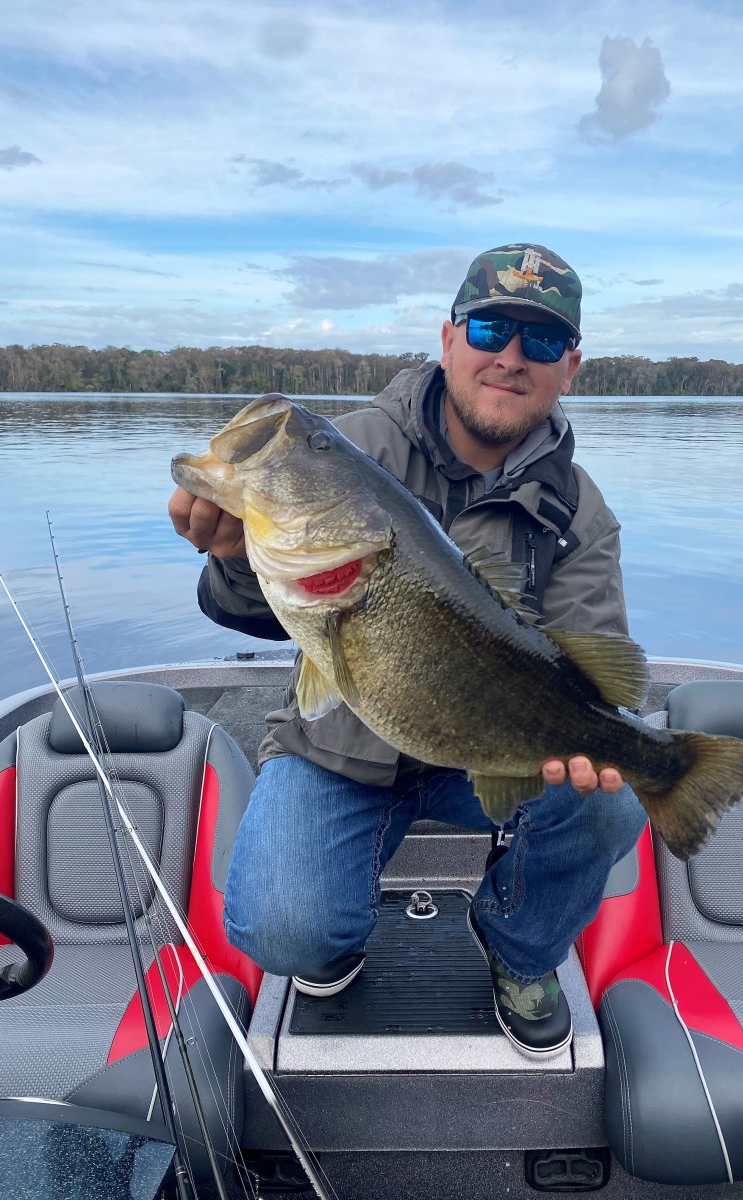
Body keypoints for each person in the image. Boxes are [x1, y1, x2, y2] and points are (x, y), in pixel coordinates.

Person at [168, 243, 647, 1059]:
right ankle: (330, 942)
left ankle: (518, 952)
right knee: (284, 930)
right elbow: (247, 608)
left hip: (490, 752)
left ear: (570, 366)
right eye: (491, 327)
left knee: (614, 796)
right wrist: (233, 559)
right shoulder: (351, 449)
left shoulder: (580, 510)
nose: (509, 357)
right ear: (449, 337)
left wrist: (613, 739)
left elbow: (595, 661)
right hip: (340, 748)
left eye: (539, 341)